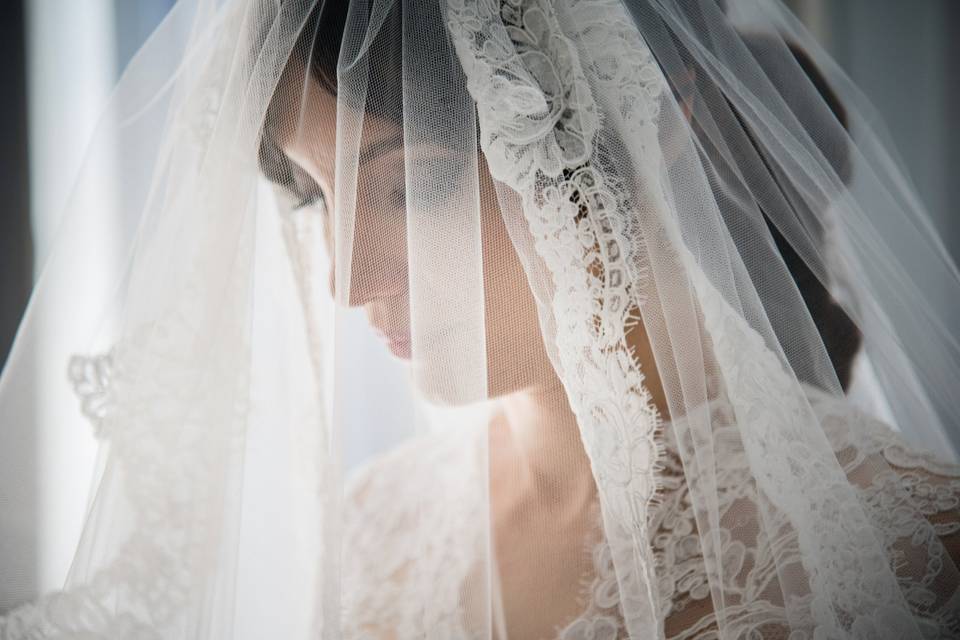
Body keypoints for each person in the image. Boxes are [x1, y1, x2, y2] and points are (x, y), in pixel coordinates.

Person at [2, 0, 959, 638]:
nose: (347, 282)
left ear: (659, 117)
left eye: (411, 187)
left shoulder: (915, 551)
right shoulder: (381, 536)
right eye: (315, 200)